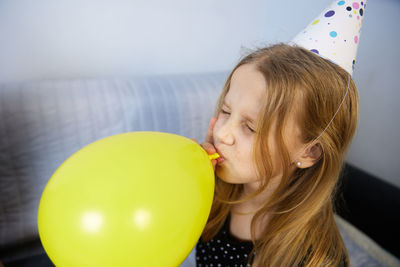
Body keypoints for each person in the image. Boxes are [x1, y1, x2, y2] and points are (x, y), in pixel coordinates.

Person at [195, 42, 358, 267]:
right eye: (226, 111)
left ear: (309, 152)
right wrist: (191, 183)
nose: (222, 134)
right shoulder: (211, 195)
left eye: (251, 127)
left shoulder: (314, 260)